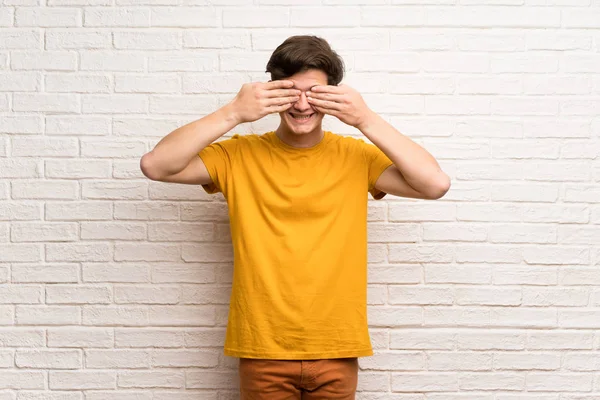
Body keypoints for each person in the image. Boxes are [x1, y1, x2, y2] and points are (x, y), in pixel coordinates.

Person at [140, 35, 450, 399]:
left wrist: (365, 118)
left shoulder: (356, 156)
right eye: (291, 91)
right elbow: (156, 165)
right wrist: (234, 113)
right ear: (271, 92)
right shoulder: (238, 155)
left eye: (315, 92)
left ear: (334, 95)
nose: (302, 104)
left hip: (337, 343)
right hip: (262, 346)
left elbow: (434, 185)